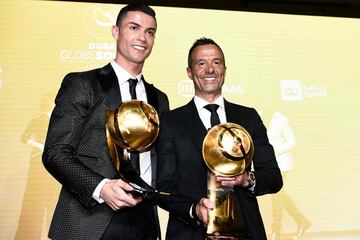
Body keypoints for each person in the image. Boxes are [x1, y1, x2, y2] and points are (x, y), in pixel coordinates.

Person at [42, 4, 169, 240]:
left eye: (150, 32)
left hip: (144, 223)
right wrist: (101, 188)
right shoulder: (82, 84)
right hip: (88, 218)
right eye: (134, 27)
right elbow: (55, 153)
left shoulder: (159, 99)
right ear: (115, 31)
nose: (143, 37)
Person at [156, 37, 283, 240]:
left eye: (216, 62)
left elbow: (274, 177)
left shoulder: (248, 117)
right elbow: (164, 187)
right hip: (190, 233)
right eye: (201, 63)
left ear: (224, 69)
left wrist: (246, 180)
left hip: (247, 233)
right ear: (189, 72)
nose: (210, 70)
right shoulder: (171, 121)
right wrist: (194, 209)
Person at [15, 94, 59, 240]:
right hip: (38, 162)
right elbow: (24, 138)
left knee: (53, 198)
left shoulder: (59, 122)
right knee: (36, 199)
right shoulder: (38, 119)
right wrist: (41, 146)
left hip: (54, 162)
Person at [264, 110, 311, 239]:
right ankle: (301, 221)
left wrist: (276, 150)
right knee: (278, 195)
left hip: (282, 163)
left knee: (277, 195)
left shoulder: (280, 118)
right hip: (269, 164)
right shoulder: (259, 114)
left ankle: (276, 231)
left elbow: (292, 141)